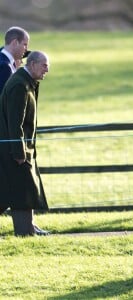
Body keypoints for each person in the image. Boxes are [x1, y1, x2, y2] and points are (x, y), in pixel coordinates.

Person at [0, 51, 50, 236]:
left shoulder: (25, 82)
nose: (47, 69)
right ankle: (25, 232)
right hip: (14, 151)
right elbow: (15, 123)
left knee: (22, 189)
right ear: (33, 64)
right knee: (19, 191)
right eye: (44, 65)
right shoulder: (20, 85)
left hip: (18, 149)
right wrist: (19, 153)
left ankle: (29, 229)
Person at [0, 26, 30, 93]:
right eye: (25, 44)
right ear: (15, 42)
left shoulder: (5, 60)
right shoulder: (5, 67)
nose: (26, 49)